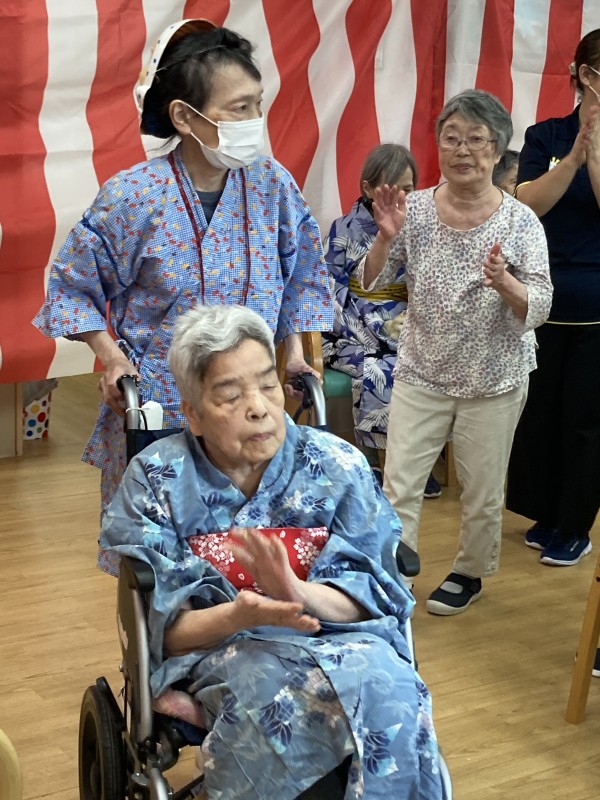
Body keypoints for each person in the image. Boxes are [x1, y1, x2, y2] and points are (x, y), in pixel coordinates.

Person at [100, 304, 443, 799]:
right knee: (275, 702)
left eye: (267, 384)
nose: (259, 407)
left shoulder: (337, 465)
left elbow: (374, 592)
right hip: (227, 653)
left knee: (393, 690)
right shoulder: (158, 480)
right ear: (192, 414)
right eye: (231, 395)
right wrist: (241, 614)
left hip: (346, 639)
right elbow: (166, 634)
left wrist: (298, 592)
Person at [32, 19, 332, 573]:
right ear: (184, 117)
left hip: (255, 408)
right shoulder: (134, 197)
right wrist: (111, 356)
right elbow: (72, 285)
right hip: (161, 411)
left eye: (257, 105)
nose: (254, 120)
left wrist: (294, 356)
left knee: (253, 556)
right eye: (238, 108)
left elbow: (303, 277)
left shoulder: (273, 186)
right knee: (161, 564)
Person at [359, 89, 553, 615]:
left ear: (497, 150)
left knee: (482, 491)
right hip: (422, 370)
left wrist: (506, 283)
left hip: (494, 377)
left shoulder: (520, 222)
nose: (462, 150)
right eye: (451, 138)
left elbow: (540, 304)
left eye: (476, 139)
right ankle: (393, 573)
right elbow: (368, 281)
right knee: (399, 484)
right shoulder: (415, 208)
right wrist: (385, 238)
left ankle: (469, 572)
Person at [506, 29, 600, 570]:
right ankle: (544, 511)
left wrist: (595, 156)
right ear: (586, 75)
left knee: (585, 421)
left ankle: (575, 525)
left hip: (596, 304)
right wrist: (573, 157)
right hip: (540, 298)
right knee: (539, 414)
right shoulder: (545, 135)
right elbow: (527, 206)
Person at [322, 144, 441, 498]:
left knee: (420, 366)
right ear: (367, 187)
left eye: (408, 188)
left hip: (407, 326)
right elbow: (329, 289)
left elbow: (430, 286)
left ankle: (414, 462)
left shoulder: (422, 228)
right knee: (377, 368)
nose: (400, 196)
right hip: (351, 331)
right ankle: (374, 459)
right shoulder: (343, 229)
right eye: (391, 188)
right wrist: (373, 329)